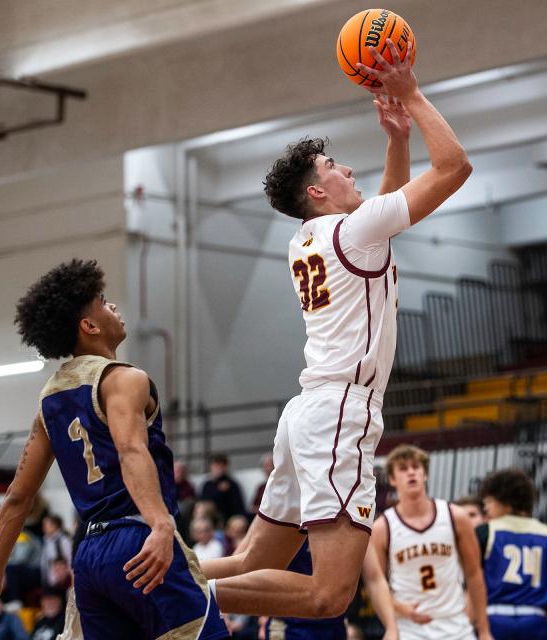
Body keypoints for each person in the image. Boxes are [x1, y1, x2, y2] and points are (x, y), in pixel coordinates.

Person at [202, 39, 473, 622]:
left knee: (253, 557)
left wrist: (397, 138)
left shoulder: (310, 238)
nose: (348, 168)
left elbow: (385, 211)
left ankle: (152, 582)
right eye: (333, 167)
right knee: (329, 597)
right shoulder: (351, 233)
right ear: (318, 193)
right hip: (342, 411)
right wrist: (413, 95)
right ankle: (168, 598)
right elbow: (454, 167)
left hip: (306, 412)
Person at [0, 259, 228, 639]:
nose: (112, 306)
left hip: (88, 557)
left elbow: (18, 497)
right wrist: (161, 522)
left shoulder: (48, 402)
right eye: (103, 300)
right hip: (137, 537)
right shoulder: (125, 380)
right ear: (90, 326)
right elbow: (131, 450)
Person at [371, 445, 490, 640]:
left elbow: (474, 574)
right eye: (403, 468)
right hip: (410, 628)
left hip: (455, 625)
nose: (411, 472)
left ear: (424, 474)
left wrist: (484, 631)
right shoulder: (382, 527)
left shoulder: (456, 516)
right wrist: (399, 607)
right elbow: (376, 584)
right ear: (392, 479)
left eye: (416, 467)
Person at [477, 469, 547, 640]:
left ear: (505, 501)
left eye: (489, 501)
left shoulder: (485, 532)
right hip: (535, 621)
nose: (486, 508)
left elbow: (475, 584)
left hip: (495, 620)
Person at [264, 540, 398, 640]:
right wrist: (261, 610)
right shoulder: (289, 510)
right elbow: (255, 564)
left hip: (335, 626)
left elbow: (374, 579)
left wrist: (391, 628)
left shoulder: (350, 513)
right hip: (291, 627)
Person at [200, 454, 247, 523]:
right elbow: (203, 501)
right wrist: (218, 492)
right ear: (211, 467)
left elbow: (238, 506)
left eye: (221, 466)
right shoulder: (207, 484)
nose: (218, 469)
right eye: (216, 466)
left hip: (228, 517)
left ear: (226, 467)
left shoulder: (232, 484)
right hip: (210, 518)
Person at [40, 514, 72, 588]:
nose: (43, 528)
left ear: (54, 525)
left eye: (46, 525)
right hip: (49, 580)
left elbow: (70, 559)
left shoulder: (64, 541)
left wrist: (67, 576)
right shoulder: (46, 541)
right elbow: (45, 562)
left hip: (63, 579)